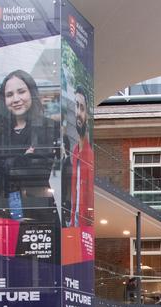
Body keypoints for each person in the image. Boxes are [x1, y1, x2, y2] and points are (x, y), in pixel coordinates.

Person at [0, 69, 58, 223]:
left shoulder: (48, 127)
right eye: (9, 95)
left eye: (21, 92)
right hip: (4, 213)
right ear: (4, 100)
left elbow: (35, 170)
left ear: (31, 93)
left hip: (37, 211)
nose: (16, 99)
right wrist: (21, 159)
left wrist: (0, 166)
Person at [63, 87, 93, 228]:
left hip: (84, 228)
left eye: (82, 108)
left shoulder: (91, 154)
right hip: (74, 225)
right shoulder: (75, 151)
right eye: (77, 106)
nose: (78, 113)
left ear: (87, 113)